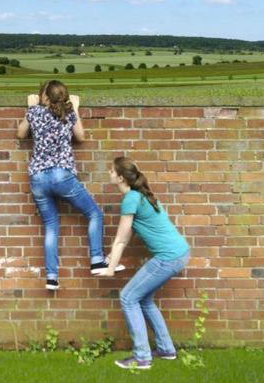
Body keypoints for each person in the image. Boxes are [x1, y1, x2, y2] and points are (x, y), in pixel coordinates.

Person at [16, 80, 122, 290]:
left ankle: (52, 277)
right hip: (62, 175)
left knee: (51, 226)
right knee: (94, 214)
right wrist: (76, 109)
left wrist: (31, 108)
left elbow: (20, 134)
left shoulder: (35, 112)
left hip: (38, 178)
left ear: (44, 96)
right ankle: (96, 260)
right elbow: (81, 137)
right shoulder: (68, 113)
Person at [99, 156, 190, 370]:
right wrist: (111, 259)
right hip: (179, 253)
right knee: (144, 300)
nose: (109, 174)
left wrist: (110, 270)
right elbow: (127, 234)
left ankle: (142, 358)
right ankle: (166, 349)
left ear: (121, 177)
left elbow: (121, 239)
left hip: (168, 257)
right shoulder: (140, 196)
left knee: (128, 297)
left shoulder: (131, 198)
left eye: (111, 171)